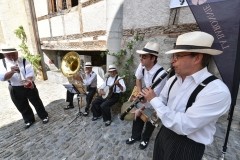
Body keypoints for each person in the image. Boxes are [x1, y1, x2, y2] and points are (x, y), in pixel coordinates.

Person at [140, 31, 231, 160]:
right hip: (164, 133)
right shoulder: (173, 80)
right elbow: (162, 101)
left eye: (177, 56)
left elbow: (184, 125)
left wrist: (153, 99)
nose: (172, 61)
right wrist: (147, 100)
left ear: (197, 58)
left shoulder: (217, 91)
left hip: (188, 147)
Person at [125, 42, 167, 150]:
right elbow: (138, 78)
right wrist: (139, 92)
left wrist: (141, 107)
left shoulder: (161, 75)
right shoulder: (142, 65)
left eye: (144, 56)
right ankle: (135, 136)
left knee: (150, 121)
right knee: (137, 115)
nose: (140, 58)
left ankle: (145, 139)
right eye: (140, 56)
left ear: (153, 59)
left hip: (156, 101)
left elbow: (153, 99)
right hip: (146, 95)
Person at [0, 44, 49, 129]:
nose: (12, 56)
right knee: (21, 105)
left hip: (27, 84)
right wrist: (11, 72)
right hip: (14, 87)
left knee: (36, 101)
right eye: (9, 55)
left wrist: (28, 81)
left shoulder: (24, 60)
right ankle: (29, 119)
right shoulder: (2, 63)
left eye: (14, 54)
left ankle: (44, 116)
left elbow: (30, 72)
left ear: (17, 53)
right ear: (4, 55)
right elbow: (2, 77)